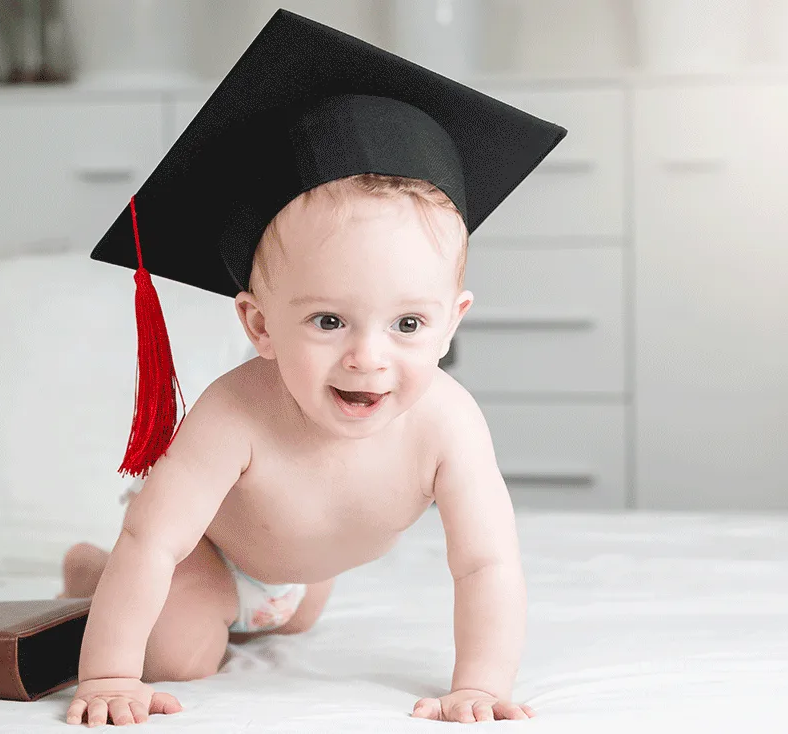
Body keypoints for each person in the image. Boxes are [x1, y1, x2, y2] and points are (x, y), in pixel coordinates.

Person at [60, 9, 566, 727]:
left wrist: (479, 683)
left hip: (302, 579)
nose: (368, 356)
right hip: (206, 552)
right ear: (259, 325)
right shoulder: (236, 413)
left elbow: (486, 564)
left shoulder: (447, 422)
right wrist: (109, 673)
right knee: (181, 655)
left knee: (293, 622)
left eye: (409, 324)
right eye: (329, 321)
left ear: (453, 320)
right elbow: (154, 540)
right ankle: (89, 572)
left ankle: (269, 607)